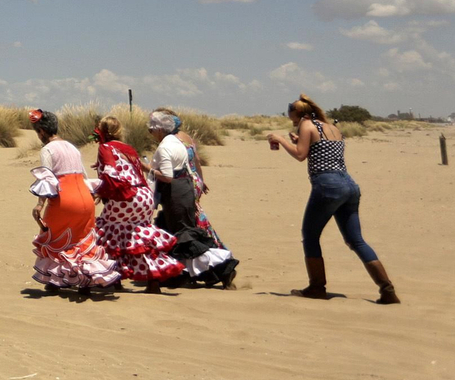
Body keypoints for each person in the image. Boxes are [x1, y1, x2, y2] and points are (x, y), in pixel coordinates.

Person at [266, 95, 399, 304]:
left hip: (327, 185)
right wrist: (298, 141)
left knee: (310, 236)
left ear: (298, 114)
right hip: (349, 185)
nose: (290, 118)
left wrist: (281, 140)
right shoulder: (331, 128)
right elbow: (320, 151)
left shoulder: (306, 126)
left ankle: (317, 287)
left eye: (291, 114)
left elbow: (300, 155)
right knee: (356, 240)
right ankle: (387, 289)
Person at [27, 109, 120, 294]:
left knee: (55, 239)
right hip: (84, 198)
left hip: (65, 200)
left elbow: (47, 179)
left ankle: (55, 281)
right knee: (82, 241)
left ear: (42, 132)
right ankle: (84, 281)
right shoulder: (72, 147)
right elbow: (84, 175)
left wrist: (39, 205)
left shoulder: (47, 149)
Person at [90, 116, 183, 292]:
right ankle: (153, 280)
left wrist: (101, 192)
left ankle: (113, 279)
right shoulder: (129, 149)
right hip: (143, 195)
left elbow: (110, 172)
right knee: (138, 235)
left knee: (108, 234)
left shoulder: (106, 147)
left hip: (125, 195)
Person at [148, 110, 237, 288]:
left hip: (175, 193)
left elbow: (166, 176)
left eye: (152, 130)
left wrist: (147, 168)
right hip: (185, 188)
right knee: (172, 232)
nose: (150, 134)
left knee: (185, 236)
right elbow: (193, 163)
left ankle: (224, 268)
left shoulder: (165, 146)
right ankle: (177, 274)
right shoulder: (177, 142)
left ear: (160, 130)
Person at [178, 124, 229, 252]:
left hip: (185, 182)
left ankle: (206, 247)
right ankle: (212, 244)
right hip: (194, 179)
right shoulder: (186, 137)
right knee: (196, 214)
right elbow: (197, 161)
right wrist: (201, 180)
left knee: (191, 217)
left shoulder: (171, 140)